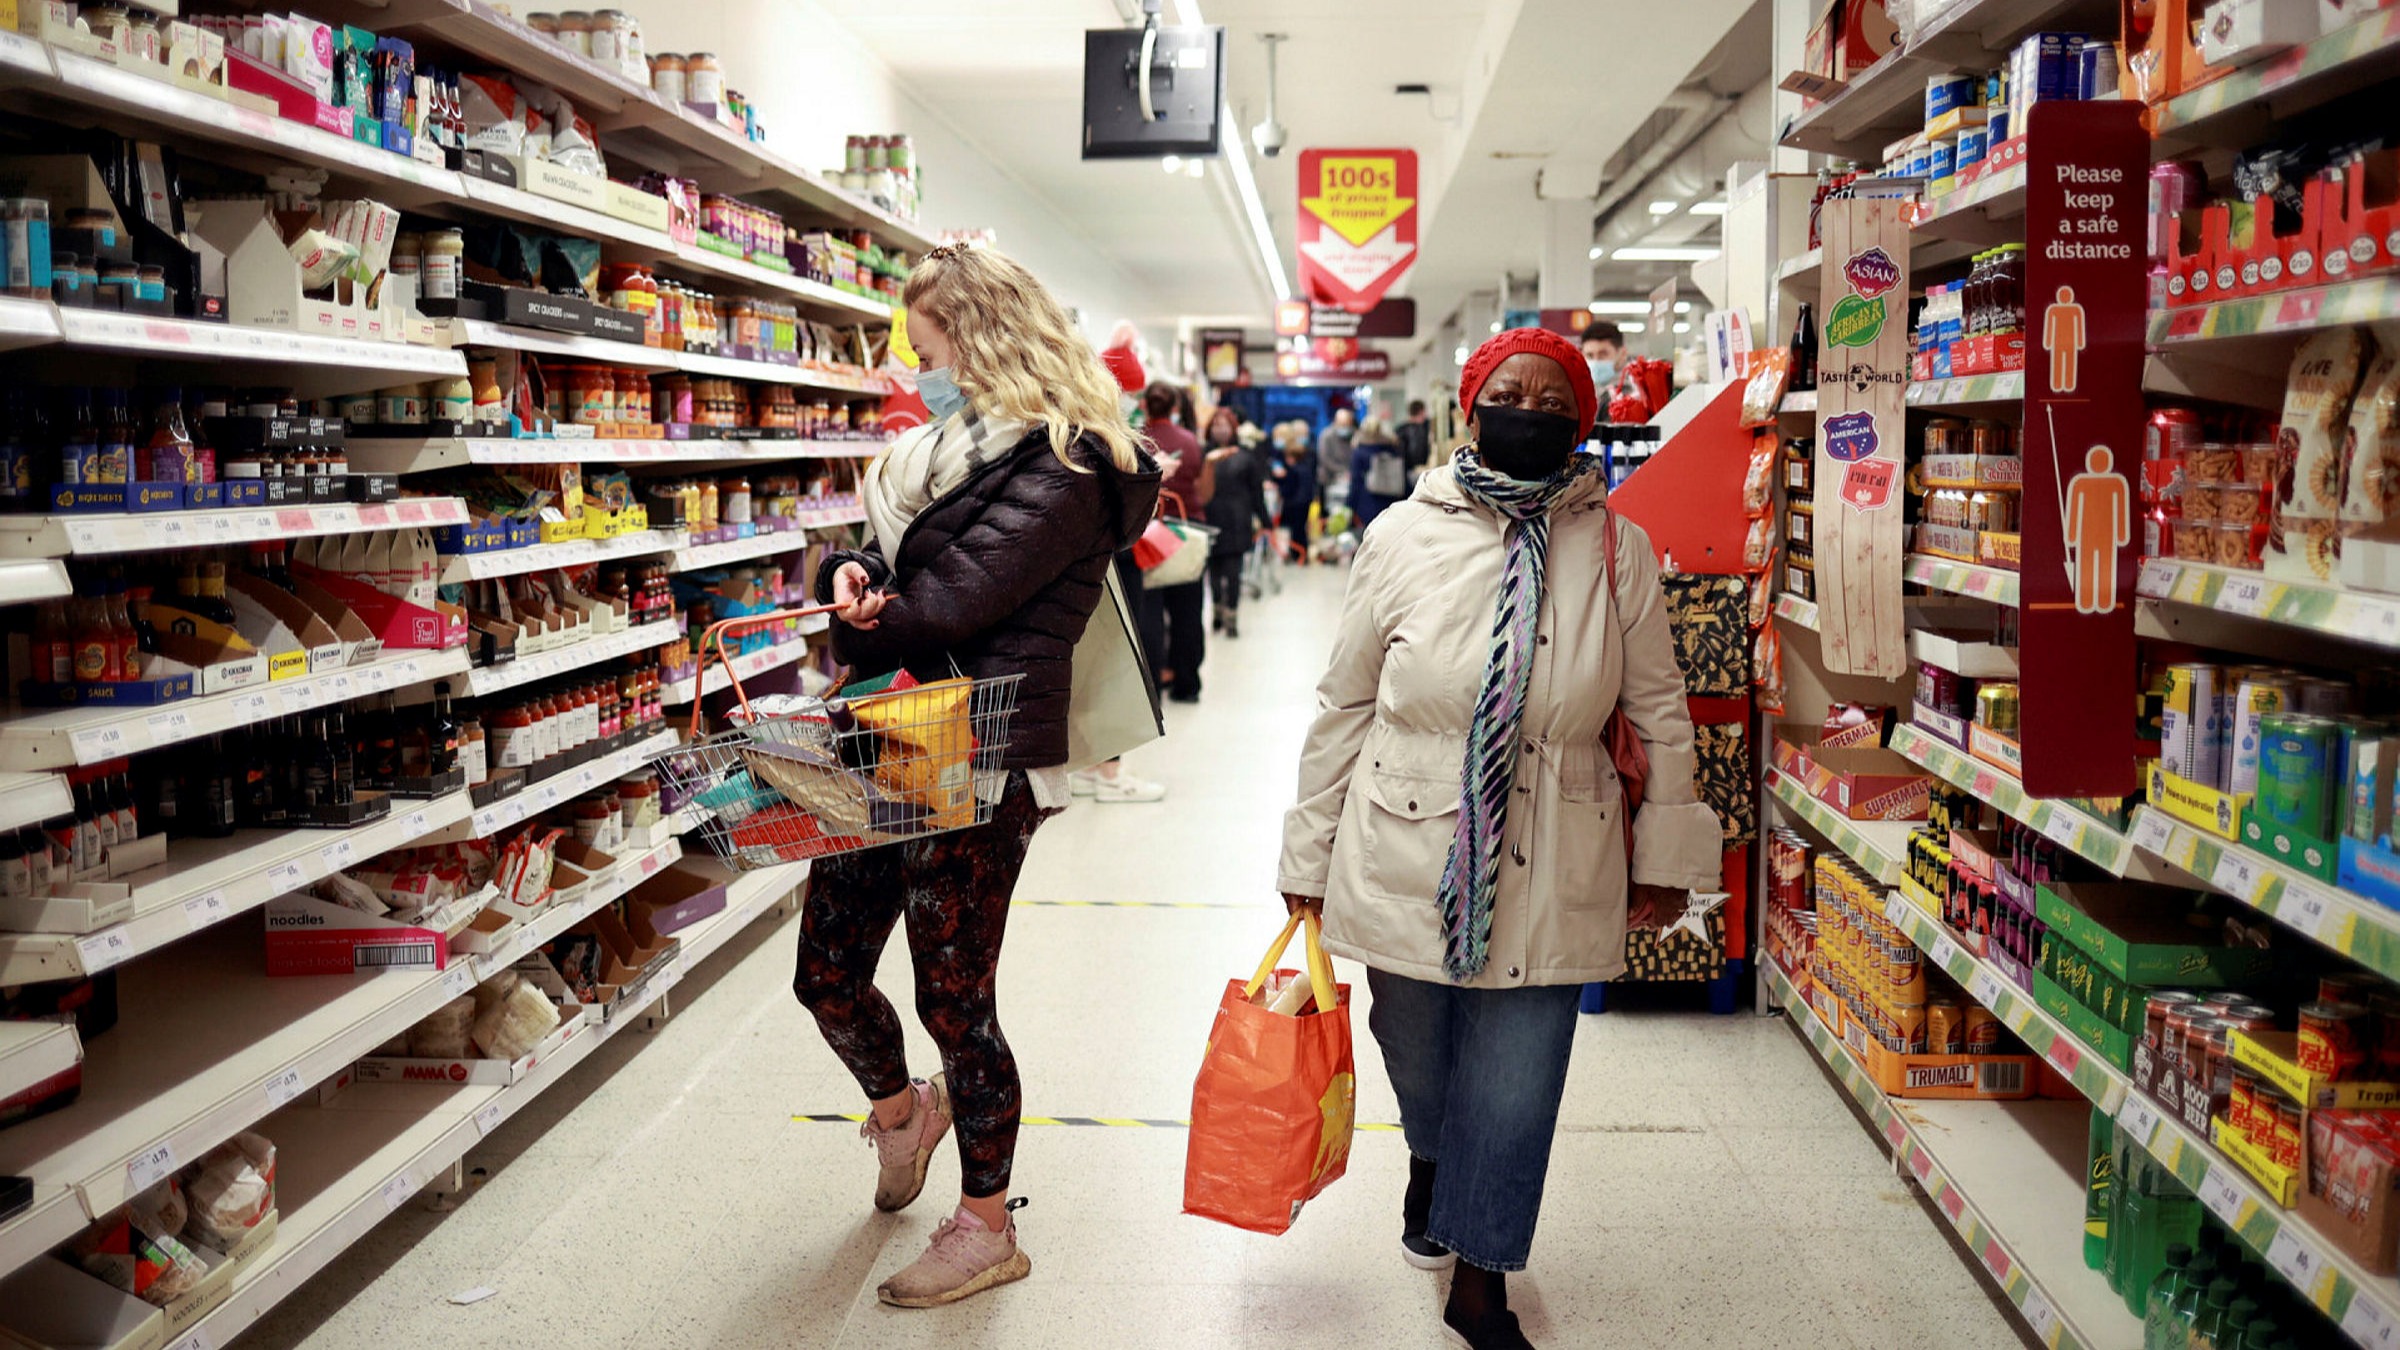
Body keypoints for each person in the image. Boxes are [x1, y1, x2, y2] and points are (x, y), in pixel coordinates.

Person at [1276, 327, 1722, 1350]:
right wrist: (1304, 858)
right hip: (1408, 835)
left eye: (1556, 400)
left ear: (1582, 425)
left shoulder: (1619, 547)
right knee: (1420, 1051)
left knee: (1517, 1085)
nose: (1533, 409)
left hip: (1564, 835)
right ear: (1470, 410)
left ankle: (1482, 1282)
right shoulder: (1400, 535)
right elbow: (1344, 704)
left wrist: (1666, 860)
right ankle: (1433, 1157)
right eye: (1511, 392)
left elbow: (1658, 711)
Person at [801, 243, 1162, 1308]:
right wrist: (849, 573)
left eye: (931, 349)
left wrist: (874, 609)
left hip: (983, 750)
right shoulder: (928, 454)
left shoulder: (1075, 461)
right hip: (892, 734)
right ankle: (904, 1111)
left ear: (987, 336)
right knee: (824, 974)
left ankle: (987, 1226)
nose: (922, 371)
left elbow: (956, 600)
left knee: (956, 1000)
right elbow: (873, 558)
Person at [1140, 381, 1211, 703]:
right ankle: (1187, 683)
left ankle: (1151, 686)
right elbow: (1196, 478)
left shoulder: (1136, 439)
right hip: (1185, 529)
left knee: (1150, 612)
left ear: (1144, 405)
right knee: (1187, 611)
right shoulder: (1189, 441)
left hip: (1148, 533)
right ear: (1175, 408)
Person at [1202, 406, 1269, 638]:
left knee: (1233, 572)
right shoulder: (1203, 455)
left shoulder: (1246, 458)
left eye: (1225, 425)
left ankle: (1231, 615)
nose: (1220, 429)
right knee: (1213, 570)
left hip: (1238, 519)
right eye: (1216, 425)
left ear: (1234, 429)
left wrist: (1265, 520)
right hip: (1209, 518)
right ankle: (1218, 610)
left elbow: (1256, 492)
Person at [1347, 416, 1408, 535]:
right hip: (1392, 504)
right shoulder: (1393, 449)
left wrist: (1349, 506)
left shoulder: (1360, 452)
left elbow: (1356, 482)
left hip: (1368, 504)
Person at [1270, 421, 1318, 564]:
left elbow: (1289, 487)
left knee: (1295, 530)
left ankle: (1297, 555)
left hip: (1295, 502)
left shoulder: (1293, 470)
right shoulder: (1305, 467)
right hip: (1304, 501)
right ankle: (1300, 555)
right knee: (1301, 530)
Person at [1316, 405, 1356, 513]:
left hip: (1346, 482)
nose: (1345, 427)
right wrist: (1342, 471)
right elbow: (1324, 458)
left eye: (1347, 424)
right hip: (1328, 480)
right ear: (1336, 422)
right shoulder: (1326, 435)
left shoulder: (1352, 435)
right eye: (1342, 424)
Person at [1580, 321, 1625, 395]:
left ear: (1622, 354)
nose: (1596, 361)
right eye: (1590, 355)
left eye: (1603, 354)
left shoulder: (1635, 392)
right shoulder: (1578, 392)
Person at [1397, 398, 1433, 476]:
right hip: (1418, 471)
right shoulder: (1423, 428)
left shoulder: (1400, 429)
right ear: (1421, 412)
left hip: (1404, 473)